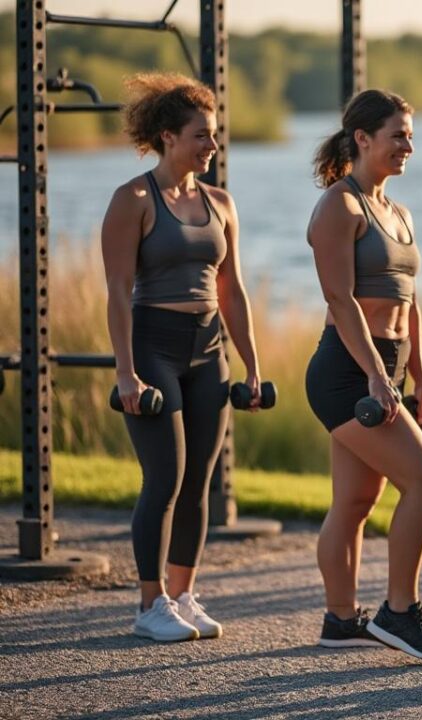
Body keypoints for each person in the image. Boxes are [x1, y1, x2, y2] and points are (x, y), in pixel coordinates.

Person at [102, 73, 262, 642]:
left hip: (209, 348)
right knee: (164, 479)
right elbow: (119, 290)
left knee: (200, 481)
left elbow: (232, 289)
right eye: (201, 136)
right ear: (168, 136)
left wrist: (253, 366)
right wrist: (125, 371)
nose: (211, 145)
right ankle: (150, 604)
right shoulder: (134, 199)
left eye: (214, 135)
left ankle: (184, 594)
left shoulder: (220, 202)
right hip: (153, 347)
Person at [304, 89, 422, 663]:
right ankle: (398, 613)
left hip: (384, 368)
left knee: (355, 502)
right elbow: (341, 302)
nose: (407, 145)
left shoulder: (399, 211)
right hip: (346, 370)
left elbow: (408, 302)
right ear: (362, 139)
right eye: (398, 135)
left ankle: (341, 621)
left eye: (410, 135)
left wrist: (418, 378)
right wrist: (374, 375)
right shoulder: (338, 209)